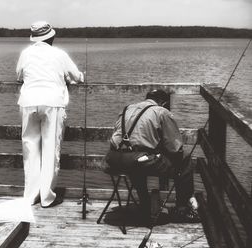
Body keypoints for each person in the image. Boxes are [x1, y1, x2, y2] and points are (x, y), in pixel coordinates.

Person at [16, 21, 84, 208]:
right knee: (50, 149)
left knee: (30, 150)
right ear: (51, 37)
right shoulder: (59, 54)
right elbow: (77, 76)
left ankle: (30, 197)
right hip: (52, 103)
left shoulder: (25, 53)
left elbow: (19, 75)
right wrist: (75, 78)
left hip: (29, 102)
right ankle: (46, 197)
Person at [106, 89, 199, 223]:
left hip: (113, 159)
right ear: (164, 102)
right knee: (184, 160)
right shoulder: (162, 112)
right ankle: (182, 209)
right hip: (137, 161)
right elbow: (175, 148)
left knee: (137, 161)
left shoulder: (127, 109)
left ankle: (145, 204)